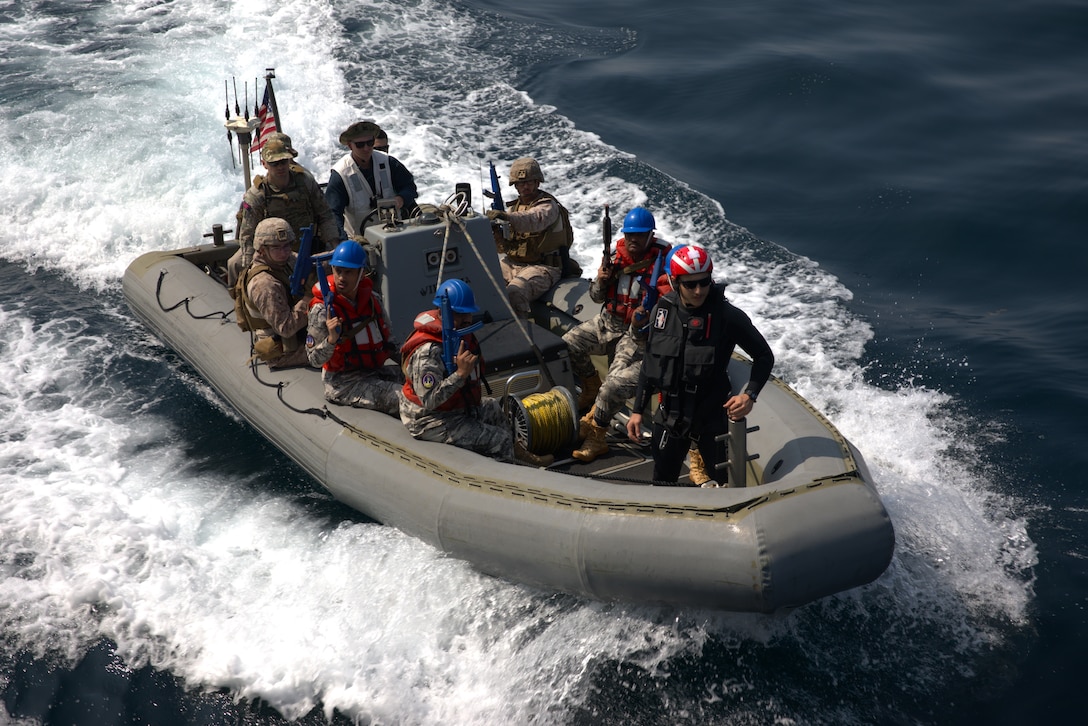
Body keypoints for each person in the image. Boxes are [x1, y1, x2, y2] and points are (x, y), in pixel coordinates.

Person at [625, 244, 775, 486]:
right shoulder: (662, 311)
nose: (698, 290)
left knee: (725, 485)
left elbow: (764, 356)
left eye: (704, 282)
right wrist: (637, 410)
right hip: (670, 416)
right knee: (662, 483)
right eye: (690, 284)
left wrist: (749, 396)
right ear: (675, 282)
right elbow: (650, 363)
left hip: (711, 418)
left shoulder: (727, 317)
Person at [398, 279, 553, 467]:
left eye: (468, 313)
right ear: (443, 313)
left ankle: (517, 453)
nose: (467, 320)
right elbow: (430, 400)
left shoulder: (461, 337)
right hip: (428, 419)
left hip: (454, 410)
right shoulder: (428, 351)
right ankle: (509, 474)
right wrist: (460, 375)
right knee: (499, 439)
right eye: (459, 314)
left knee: (493, 408)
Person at [562, 207, 672, 463]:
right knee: (568, 343)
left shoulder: (663, 264)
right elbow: (596, 297)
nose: (633, 240)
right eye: (629, 234)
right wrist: (601, 280)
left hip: (637, 333)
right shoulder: (614, 257)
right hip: (609, 321)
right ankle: (590, 387)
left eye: (640, 235)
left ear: (650, 235)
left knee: (614, 381)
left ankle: (597, 434)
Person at [228, 134, 340, 288]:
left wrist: (334, 244)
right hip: (271, 251)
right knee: (234, 264)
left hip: (307, 244)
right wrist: (250, 271)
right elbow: (248, 236)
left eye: (283, 161)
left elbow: (325, 214)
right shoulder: (257, 195)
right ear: (265, 164)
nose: (280, 167)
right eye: (274, 163)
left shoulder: (305, 182)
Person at [306, 241, 402, 415]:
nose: (341, 277)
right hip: (343, 383)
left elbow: (390, 342)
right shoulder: (323, 309)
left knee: (418, 385)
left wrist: (411, 364)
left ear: (361, 273)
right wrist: (331, 340)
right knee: (405, 398)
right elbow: (314, 359)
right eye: (338, 271)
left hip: (374, 371)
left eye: (348, 272)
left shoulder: (372, 300)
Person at [485, 157, 575, 318]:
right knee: (484, 282)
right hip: (513, 263)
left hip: (544, 267)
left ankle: (519, 337)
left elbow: (532, 220)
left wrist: (506, 218)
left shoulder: (548, 206)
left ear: (537, 182)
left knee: (515, 293)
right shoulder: (513, 209)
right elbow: (501, 248)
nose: (525, 186)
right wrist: (495, 231)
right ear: (515, 185)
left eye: (529, 182)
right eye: (521, 183)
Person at [233, 217, 313, 369]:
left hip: (298, 335)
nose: (284, 252)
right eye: (277, 248)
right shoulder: (264, 284)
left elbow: (309, 262)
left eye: (287, 246)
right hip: (283, 349)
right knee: (338, 349)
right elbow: (286, 328)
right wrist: (308, 299)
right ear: (262, 250)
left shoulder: (281, 261)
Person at [326, 120, 418, 239]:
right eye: (360, 145)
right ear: (350, 146)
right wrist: (343, 242)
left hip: (395, 232)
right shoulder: (341, 173)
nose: (366, 148)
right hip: (360, 240)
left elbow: (409, 187)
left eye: (370, 143)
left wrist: (401, 198)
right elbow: (333, 214)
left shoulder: (389, 162)